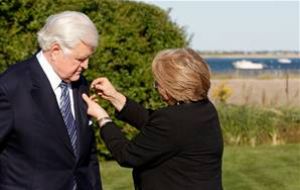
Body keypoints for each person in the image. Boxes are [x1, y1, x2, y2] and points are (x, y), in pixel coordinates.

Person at [82, 48, 224, 190]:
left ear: (171, 87)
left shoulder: (172, 120)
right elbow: (155, 124)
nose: (157, 88)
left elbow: (127, 155)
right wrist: (115, 97)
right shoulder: (204, 109)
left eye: (158, 84)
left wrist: (102, 117)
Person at [0, 11, 101, 190]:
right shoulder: (11, 87)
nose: (86, 66)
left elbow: (87, 153)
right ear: (55, 50)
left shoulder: (80, 84)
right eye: (80, 59)